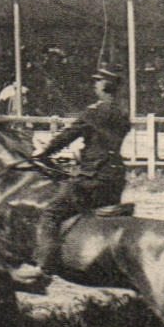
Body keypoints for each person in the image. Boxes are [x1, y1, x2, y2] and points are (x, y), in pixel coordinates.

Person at [12, 64, 131, 283]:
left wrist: (44, 151)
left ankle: (44, 266)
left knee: (50, 213)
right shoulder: (123, 112)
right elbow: (103, 141)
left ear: (105, 85)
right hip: (115, 177)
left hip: (92, 177)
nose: (94, 85)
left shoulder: (95, 112)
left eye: (97, 81)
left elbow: (69, 134)